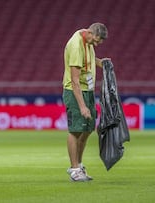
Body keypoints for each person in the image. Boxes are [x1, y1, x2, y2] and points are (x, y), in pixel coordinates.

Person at [62, 23, 109, 181]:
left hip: (88, 90)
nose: (96, 44)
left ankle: (80, 165)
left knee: (88, 128)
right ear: (90, 32)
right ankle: (74, 169)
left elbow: (87, 59)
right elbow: (75, 80)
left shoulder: (86, 39)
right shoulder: (76, 45)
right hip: (75, 91)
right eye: (96, 41)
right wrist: (82, 106)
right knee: (75, 130)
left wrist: (100, 62)